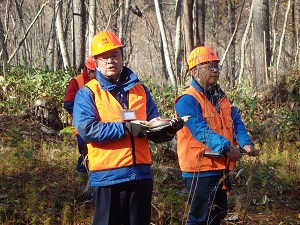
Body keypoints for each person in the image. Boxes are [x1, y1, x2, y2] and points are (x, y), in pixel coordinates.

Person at [73, 31, 185, 225]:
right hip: (108, 177)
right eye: (104, 57)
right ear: (95, 62)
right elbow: (87, 130)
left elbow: (151, 126)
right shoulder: (87, 93)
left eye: (115, 55)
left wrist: (168, 130)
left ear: (122, 57)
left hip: (140, 176)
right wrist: (125, 129)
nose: (110, 61)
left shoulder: (140, 90)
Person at [174, 46, 259, 225]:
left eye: (216, 66)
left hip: (221, 167)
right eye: (208, 66)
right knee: (199, 219)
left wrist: (245, 143)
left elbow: (236, 122)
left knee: (217, 216)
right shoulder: (187, 100)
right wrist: (227, 147)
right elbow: (200, 130)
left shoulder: (221, 97)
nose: (214, 70)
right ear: (194, 71)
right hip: (199, 170)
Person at [64, 55, 96, 184]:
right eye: (93, 71)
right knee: (85, 156)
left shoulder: (103, 80)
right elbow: (68, 103)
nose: (95, 74)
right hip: (83, 128)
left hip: (100, 126)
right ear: (87, 69)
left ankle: (93, 187)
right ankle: (82, 188)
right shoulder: (77, 81)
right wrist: (81, 117)